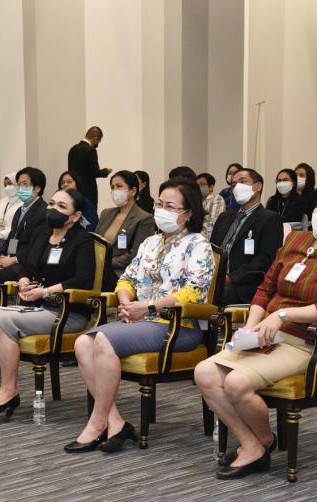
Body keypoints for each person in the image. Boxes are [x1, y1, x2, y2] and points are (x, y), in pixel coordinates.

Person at [194, 184, 317, 479]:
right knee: (204, 373)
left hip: (310, 342)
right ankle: (255, 443)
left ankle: (260, 443)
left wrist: (283, 315)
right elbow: (266, 288)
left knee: (236, 382)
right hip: (266, 334)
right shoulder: (297, 240)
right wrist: (251, 325)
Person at [64, 178, 214, 454]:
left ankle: (97, 423)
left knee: (103, 339)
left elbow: (195, 292)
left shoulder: (198, 245)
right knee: (83, 342)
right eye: (159, 204)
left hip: (178, 326)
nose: (162, 210)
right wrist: (125, 302)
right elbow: (127, 279)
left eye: (170, 206)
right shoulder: (150, 243)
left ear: (188, 213)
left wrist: (149, 307)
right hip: (141, 321)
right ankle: (115, 421)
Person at [0, 189, 96, 419]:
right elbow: (27, 267)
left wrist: (45, 291)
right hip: (36, 307)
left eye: (62, 206)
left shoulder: (83, 240)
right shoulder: (43, 233)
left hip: (66, 312)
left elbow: (83, 280)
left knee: (1, 322)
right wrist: (23, 281)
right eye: (52, 203)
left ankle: (9, 390)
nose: (53, 209)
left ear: (76, 216)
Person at [210, 168, 283, 305]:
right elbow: (211, 249)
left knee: (212, 294)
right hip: (214, 280)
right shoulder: (224, 217)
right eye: (234, 184)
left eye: (242, 182)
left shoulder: (270, 219)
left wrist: (230, 278)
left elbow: (265, 259)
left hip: (243, 286)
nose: (237, 187)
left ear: (257, 187)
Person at [0, 167, 49, 310]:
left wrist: (14, 259)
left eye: (25, 184)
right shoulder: (20, 210)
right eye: (18, 184)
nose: (20, 188)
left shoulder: (43, 211)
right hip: (12, 260)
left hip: (25, 265)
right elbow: (14, 237)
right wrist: (4, 256)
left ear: (37, 188)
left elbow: (36, 245)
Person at [95, 170, 155, 280]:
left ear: (133, 191)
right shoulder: (106, 213)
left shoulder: (144, 218)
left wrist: (105, 263)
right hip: (96, 269)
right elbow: (95, 242)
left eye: (119, 186)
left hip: (121, 273)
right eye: (112, 187)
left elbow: (135, 254)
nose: (115, 191)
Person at [67, 126, 111, 206]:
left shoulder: (73, 149)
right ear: (95, 138)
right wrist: (106, 171)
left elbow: (70, 171)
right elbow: (95, 172)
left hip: (75, 191)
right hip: (88, 193)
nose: (97, 145)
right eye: (98, 142)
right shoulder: (91, 150)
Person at [196, 172, 225, 238]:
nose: (198, 187)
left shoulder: (216, 199)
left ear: (211, 187)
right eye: (197, 185)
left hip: (207, 239)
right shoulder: (196, 201)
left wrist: (204, 241)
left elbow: (213, 224)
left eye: (202, 184)